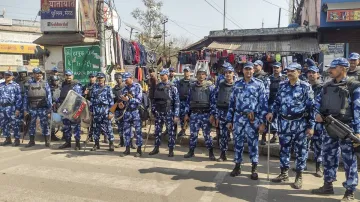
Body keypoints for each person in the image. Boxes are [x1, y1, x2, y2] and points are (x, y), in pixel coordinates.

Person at [311, 58, 359, 201]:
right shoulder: (326, 86)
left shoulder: (354, 86)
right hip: (330, 126)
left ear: (342, 69)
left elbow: (358, 110)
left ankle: (349, 191)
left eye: (333, 68)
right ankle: (328, 185)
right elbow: (317, 103)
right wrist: (317, 114)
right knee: (328, 156)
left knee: (349, 160)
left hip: (346, 128)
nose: (329, 70)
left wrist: (358, 131)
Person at [266, 62, 315, 189]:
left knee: (301, 151)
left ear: (299, 72)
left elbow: (312, 108)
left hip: (300, 124)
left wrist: (311, 126)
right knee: (284, 149)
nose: (289, 73)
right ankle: (284, 173)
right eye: (288, 70)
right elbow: (277, 102)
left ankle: (299, 176)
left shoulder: (305, 87)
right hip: (284, 123)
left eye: (292, 71)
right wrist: (271, 113)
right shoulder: (282, 86)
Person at [226, 62, 267, 179]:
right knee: (237, 143)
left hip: (253, 119)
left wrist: (262, 122)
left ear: (253, 71)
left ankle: (254, 168)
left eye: (250, 69)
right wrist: (229, 120)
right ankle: (237, 166)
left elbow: (263, 104)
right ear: (242, 71)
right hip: (238, 118)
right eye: (246, 69)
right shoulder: (237, 84)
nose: (248, 71)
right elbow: (232, 104)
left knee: (253, 144)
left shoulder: (259, 84)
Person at [183, 66, 216, 161]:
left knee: (207, 136)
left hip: (206, 114)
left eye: (203, 74)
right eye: (199, 74)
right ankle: (191, 151)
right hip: (194, 114)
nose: (201, 76)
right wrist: (186, 114)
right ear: (196, 75)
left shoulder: (210, 87)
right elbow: (188, 101)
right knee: (193, 134)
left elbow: (213, 102)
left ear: (205, 75)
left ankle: (211, 152)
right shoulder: (192, 87)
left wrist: (212, 115)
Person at [149, 69, 180, 157]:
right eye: (161, 75)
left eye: (163, 75)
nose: (162, 76)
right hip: (159, 112)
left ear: (167, 75)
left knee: (170, 132)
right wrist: (153, 111)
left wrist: (176, 115)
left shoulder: (172, 87)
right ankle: (156, 148)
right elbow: (154, 100)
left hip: (168, 112)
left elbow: (177, 102)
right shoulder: (158, 86)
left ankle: (171, 149)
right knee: (157, 131)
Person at [23, 68, 52, 147]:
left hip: (43, 108)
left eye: (40, 73)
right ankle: (31, 141)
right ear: (33, 74)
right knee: (31, 124)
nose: (38, 75)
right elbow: (25, 97)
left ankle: (47, 141)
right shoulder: (28, 84)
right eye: (36, 73)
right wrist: (25, 109)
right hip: (32, 108)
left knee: (45, 124)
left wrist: (49, 110)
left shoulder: (45, 83)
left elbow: (49, 97)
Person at [214, 64, 236, 162]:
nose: (227, 74)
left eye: (229, 73)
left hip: (235, 114)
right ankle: (223, 154)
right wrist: (216, 114)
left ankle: (237, 157)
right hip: (222, 112)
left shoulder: (237, 85)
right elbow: (215, 98)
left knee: (237, 135)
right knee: (223, 135)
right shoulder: (221, 84)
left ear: (233, 74)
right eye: (226, 73)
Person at [261, 62, 286, 145]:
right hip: (270, 102)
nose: (275, 69)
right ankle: (264, 137)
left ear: (281, 68)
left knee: (278, 121)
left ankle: (275, 136)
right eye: (274, 67)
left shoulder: (284, 78)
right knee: (267, 119)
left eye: (277, 67)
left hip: (281, 103)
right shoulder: (268, 78)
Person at [118, 72, 143, 157]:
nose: (125, 81)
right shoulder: (124, 89)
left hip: (135, 112)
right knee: (127, 132)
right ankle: (127, 149)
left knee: (138, 132)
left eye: (127, 79)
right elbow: (122, 100)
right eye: (124, 79)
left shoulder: (137, 86)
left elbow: (139, 100)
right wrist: (121, 104)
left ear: (131, 78)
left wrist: (128, 99)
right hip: (127, 112)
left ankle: (139, 150)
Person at [57, 70, 83, 150]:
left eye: (70, 75)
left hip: (73, 109)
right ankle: (68, 142)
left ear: (73, 76)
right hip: (65, 109)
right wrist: (56, 101)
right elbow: (62, 96)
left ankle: (78, 144)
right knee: (66, 126)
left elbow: (79, 99)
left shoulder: (76, 86)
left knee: (76, 127)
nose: (68, 77)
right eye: (67, 75)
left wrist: (76, 111)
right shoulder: (63, 85)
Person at [306, 64, 324, 178]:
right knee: (304, 144)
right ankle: (302, 165)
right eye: (309, 72)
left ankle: (318, 167)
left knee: (318, 145)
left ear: (318, 75)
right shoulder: (305, 86)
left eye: (314, 72)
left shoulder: (323, 88)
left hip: (318, 122)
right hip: (306, 120)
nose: (311, 74)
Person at [90, 72, 115, 151]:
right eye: (99, 78)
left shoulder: (108, 88)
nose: (100, 79)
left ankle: (111, 143)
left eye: (101, 78)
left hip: (105, 109)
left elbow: (111, 101)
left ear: (104, 79)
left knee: (108, 127)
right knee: (96, 127)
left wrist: (111, 112)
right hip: (96, 109)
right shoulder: (94, 87)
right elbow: (92, 99)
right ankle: (96, 144)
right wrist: (91, 110)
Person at [0, 71, 22, 146]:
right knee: (4, 124)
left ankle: (16, 139)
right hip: (2, 107)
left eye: (9, 75)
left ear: (12, 76)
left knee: (14, 123)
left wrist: (18, 109)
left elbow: (19, 98)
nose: (7, 76)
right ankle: (7, 139)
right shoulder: (1, 85)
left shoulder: (16, 85)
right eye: (6, 75)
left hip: (12, 107)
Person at [176, 66, 195, 137]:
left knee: (188, 116)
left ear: (190, 72)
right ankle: (183, 129)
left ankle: (184, 129)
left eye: (187, 71)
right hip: (182, 101)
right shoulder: (180, 81)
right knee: (181, 116)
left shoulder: (193, 81)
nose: (186, 73)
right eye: (185, 71)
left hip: (190, 102)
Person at [112, 73, 127, 148]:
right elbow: (113, 100)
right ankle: (121, 141)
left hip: (126, 110)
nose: (118, 79)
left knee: (128, 127)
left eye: (119, 78)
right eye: (117, 78)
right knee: (120, 127)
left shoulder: (126, 87)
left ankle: (130, 142)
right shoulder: (114, 89)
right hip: (118, 110)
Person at [83, 73, 97, 142]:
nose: (91, 78)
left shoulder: (98, 86)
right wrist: (84, 93)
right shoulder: (87, 86)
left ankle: (105, 137)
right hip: (89, 105)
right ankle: (90, 136)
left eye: (93, 77)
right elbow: (83, 96)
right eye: (90, 77)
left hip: (97, 106)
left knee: (98, 122)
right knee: (89, 122)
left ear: (95, 78)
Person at [48, 75, 61, 141]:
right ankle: (52, 135)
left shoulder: (60, 87)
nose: (56, 82)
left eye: (57, 80)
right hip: (52, 106)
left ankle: (65, 135)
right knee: (52, 122)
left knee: (62, 120)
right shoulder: (49, 88)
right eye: (54, 80)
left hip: (60, 106)